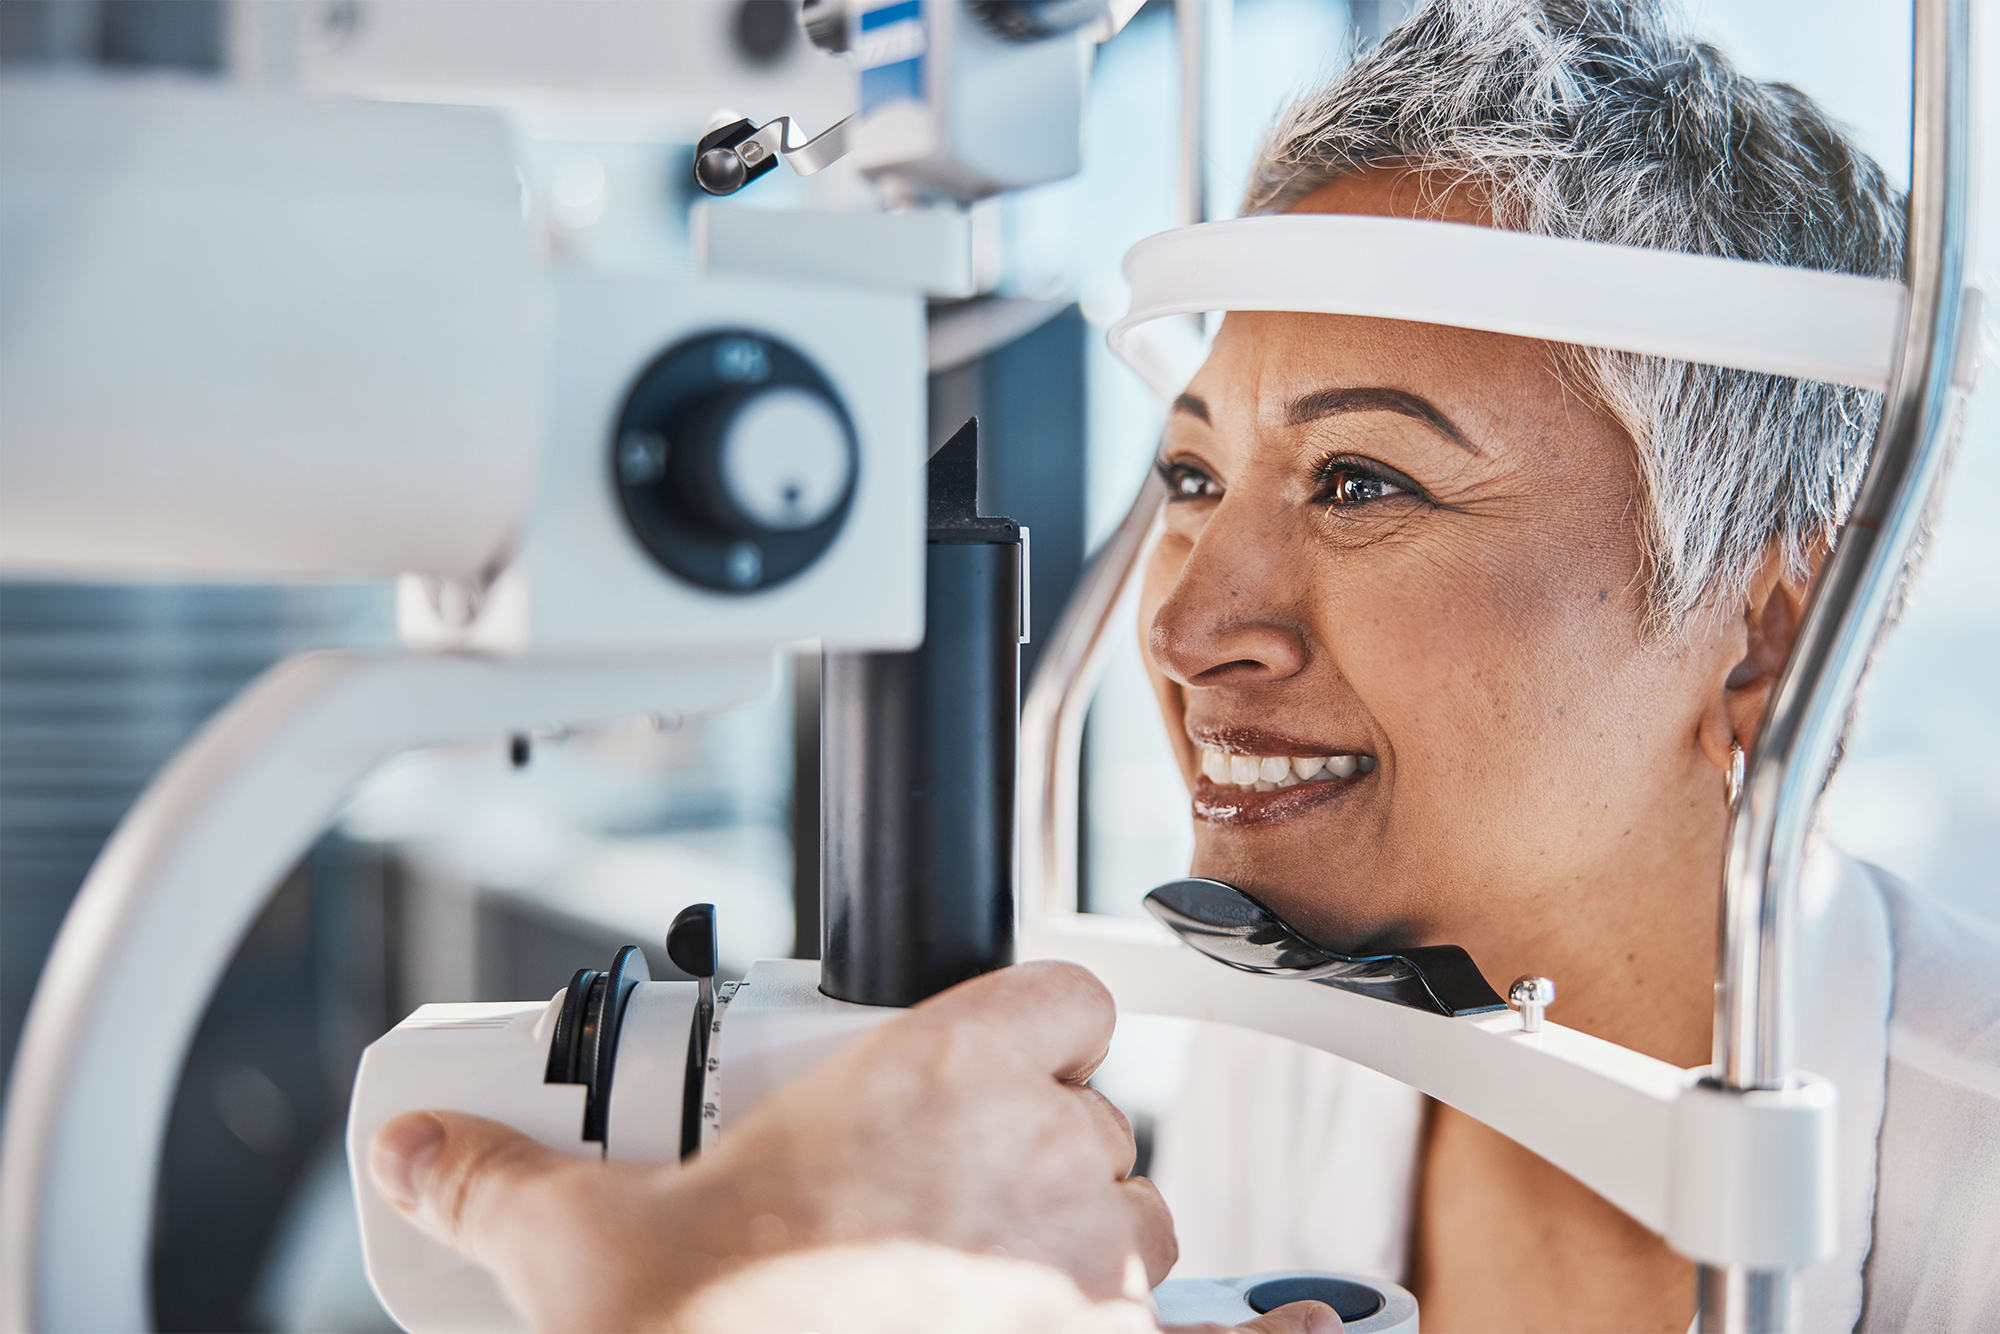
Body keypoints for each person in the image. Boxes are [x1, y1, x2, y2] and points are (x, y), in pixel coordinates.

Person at [376, 1, 2000, 1329]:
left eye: (1362, 482)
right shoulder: (1287, 1062)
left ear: (1776, 628)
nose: (1183, 624)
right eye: (1191, 478)